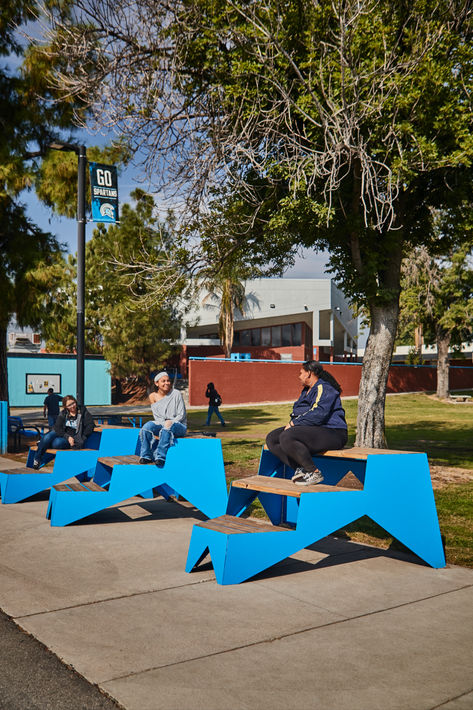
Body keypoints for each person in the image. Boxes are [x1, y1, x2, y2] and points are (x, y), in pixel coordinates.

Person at [266, 360, 347, 486]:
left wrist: (293, 424)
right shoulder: (306, 391)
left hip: (334, 433)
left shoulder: (324, 388)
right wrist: (294, 423)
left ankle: (314, 472)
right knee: (272, 438)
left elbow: (318, 414)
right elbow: (301, 412)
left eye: (301, 373)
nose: (299, 376)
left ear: (309, 373)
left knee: (287, 436)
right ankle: (302, 468)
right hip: (317, 430)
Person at [33, 395, 95, 469]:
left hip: (73, 437)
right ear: (65, 407)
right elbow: (57, 427)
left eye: (73, 403)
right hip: (62, 434)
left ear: (75, 401)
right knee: (48, 437)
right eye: (69, 405)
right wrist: (67, 437)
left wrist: (82, 438)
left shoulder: (82, 411)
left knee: (57, 443)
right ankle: (37, 458)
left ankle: (42, 443)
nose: (72, 406)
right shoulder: (63, 413)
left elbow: (90, 425)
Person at [139, 371, 187, 467]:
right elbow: (156, 416)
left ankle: (160, 456)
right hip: (163, 424)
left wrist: (169, 422)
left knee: (168, 424)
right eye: (163, 381)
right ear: (157, 383)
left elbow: (181, 415)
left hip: (179, 425)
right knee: (147, 426)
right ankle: (146, 455)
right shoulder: (153, 396)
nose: (167, 383)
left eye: (168, 381)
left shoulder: (176, 393)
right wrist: (163, 424)